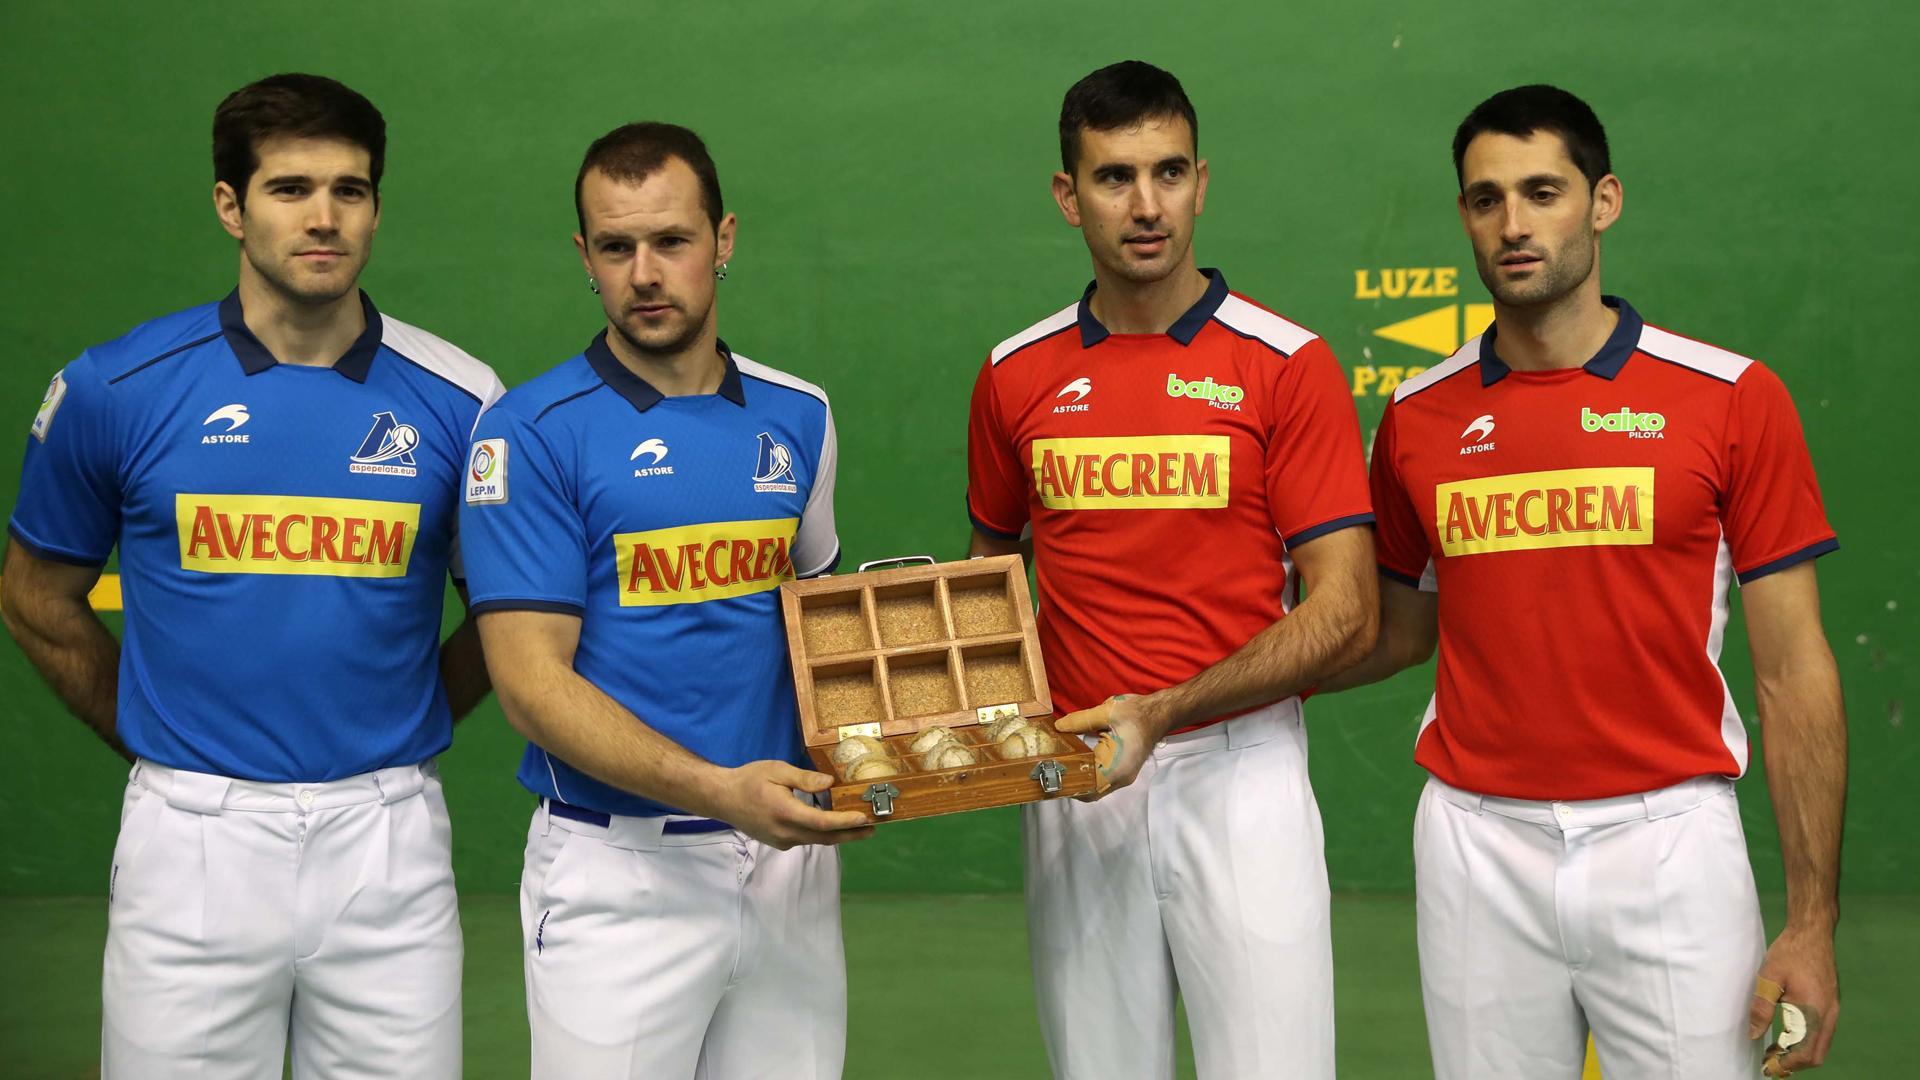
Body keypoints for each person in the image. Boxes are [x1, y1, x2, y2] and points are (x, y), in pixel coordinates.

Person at [1323, 84, 1846, 1078]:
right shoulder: (1417, 418)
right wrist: (1207, 675)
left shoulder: (1731, 398)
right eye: (1486, 200)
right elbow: (1387, 628)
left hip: (1669, 844)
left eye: (1543, 191)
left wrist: (1812, 924)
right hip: (1476, 847)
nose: (1514, 224)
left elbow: (1793, 673)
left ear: (1603, 202)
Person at [1, 73, 501, 1078]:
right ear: (231, 204)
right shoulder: (115, 389)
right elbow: (34, 591)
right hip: (188, 844)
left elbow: (510, 616)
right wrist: (157, 740)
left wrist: (404, 724)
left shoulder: (464, 400)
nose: (324, 218)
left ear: (375, 206)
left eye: (350, 190)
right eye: (289, 188)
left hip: (388, 844)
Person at [965, 60, 1378, 1079]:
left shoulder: (1288, 365)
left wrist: (1162, 709)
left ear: (1203, 180)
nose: (1146, 206)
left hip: (1243, 777)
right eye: (1114, 178)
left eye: (1168, 173)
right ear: (1069, 196)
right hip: (1075, 782)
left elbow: (1348, 610)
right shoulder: (1015, 375)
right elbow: (988, 585)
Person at [459, 121, 870, 1079]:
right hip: (620, 876)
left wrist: (912, 749)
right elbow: (529, 687)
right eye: (616, 247)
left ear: (722, 240)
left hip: (787, 869)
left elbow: (821, 625)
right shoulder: (527, 434)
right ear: (586, 257)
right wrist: (722, 792)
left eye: (671, 242)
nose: (645, 272)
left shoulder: (798, 417)